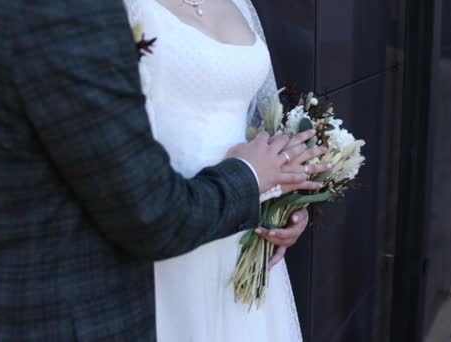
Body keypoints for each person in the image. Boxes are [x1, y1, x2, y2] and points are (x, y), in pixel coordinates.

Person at [0, 0, 326, 340]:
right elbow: (143, 203)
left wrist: (281, 193)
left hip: (234, 231)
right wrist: (250, 176)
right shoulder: (100, 10)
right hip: (155, 231)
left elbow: (258, 115)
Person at [122, 0, 329, 341]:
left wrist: (286, 203)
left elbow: (260, 121)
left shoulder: (240, 5)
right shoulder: (123, 8)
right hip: (171, 224)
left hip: (243, 234)